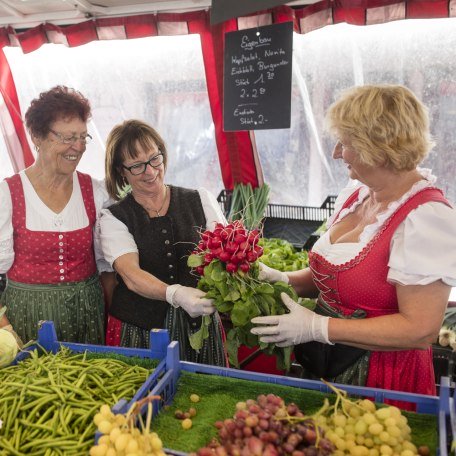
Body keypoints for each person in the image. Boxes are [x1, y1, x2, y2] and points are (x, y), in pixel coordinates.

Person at [251, 84, 456, 401]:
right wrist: (281, 279)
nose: (336, 153)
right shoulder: (356, 196)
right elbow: (334, 279)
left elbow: (420, 329)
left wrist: (319, 328)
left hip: (379, 378)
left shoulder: (425, 219)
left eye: (345, 143)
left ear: (378, 148)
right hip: (325, 364)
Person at [98, 119, 226, 366]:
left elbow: (222, 255)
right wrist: (176, 294)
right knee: (144, 398)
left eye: (154, 158)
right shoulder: (114, 217)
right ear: (120, 171)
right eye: (136, 166)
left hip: (198, 326)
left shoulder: (200, 199)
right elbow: (131, 275)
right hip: (140, 330)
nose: (150, 171)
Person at [0, 85, 112, 345]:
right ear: (37, 136)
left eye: (83, 137)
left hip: (87, 319)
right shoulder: (8, 194)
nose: (78, 147)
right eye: (67, 137)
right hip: (25, 323)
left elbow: (107, 270)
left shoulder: (95, 192)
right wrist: (5, 330)